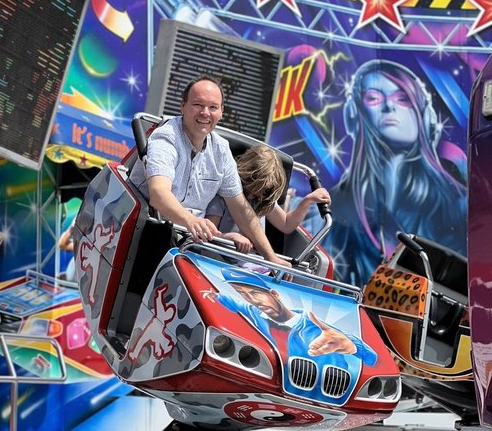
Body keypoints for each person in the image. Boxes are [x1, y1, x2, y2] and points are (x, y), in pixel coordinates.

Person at [129, 75, 290, 269]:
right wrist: (192, 221)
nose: (205, 113)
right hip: (150, 226)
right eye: (198, 105)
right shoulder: (166, 138)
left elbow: (241, 209)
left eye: (213, 107)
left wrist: (270, 257)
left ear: (221, 112)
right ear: (182, 106)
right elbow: (159, 195)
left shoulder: (221, 150)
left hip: (193, 242)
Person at [330, 60, 467, 287]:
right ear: (355, 114)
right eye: (374, 98)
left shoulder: (458, 204)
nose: (388, 107)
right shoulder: (337, 203)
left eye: (402, 98)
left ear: (425, 116)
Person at [207, 267, 377, 403]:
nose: (254, 300)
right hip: (279, 395)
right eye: (245, 295)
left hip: (323, 397)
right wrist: (214, 295)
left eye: (256, 293)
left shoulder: (316, 324)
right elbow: (235, 303)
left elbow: (372, 358)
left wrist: (352, 344)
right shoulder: (256, 313)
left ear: (274, 294)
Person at [205, 145, 331, 257]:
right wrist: (231, 237)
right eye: (250, 186)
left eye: (263, 191)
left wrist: (307, 201)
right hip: (219, 259)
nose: (253, 196)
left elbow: (286, 224)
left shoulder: (263, 200)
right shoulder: (223, 197)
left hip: (253, 264)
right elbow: (210, 234)